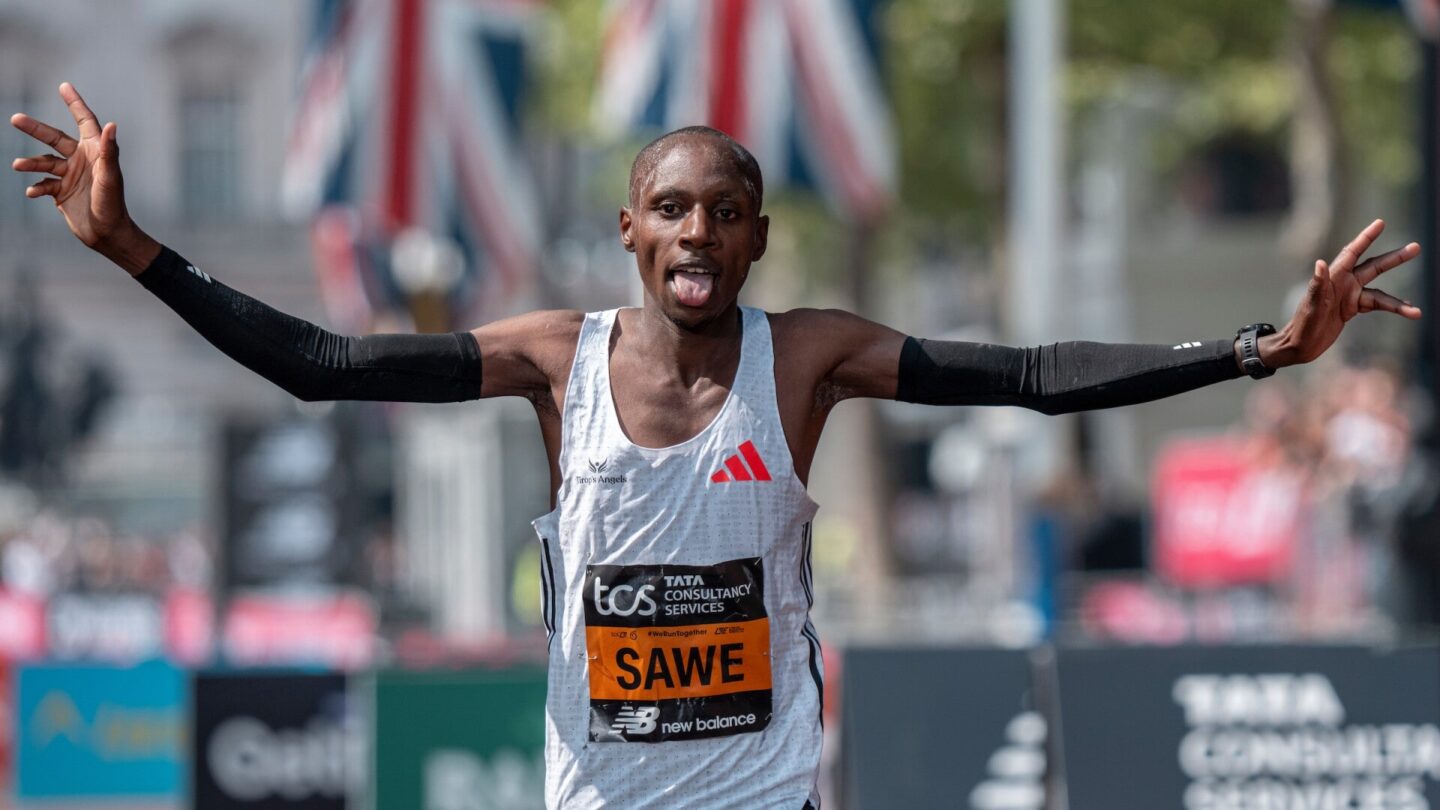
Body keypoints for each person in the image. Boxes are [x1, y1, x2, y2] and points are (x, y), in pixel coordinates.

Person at [10, 83, 1423, 809]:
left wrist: (1258, 349)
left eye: (725, 211)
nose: (698, 234)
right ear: (631, 228)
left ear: (757, 233)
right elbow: (322, 366)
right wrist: (134, 247)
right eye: (671, 209)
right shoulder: (552, 359)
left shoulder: (803, 358)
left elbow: (1037, 375)